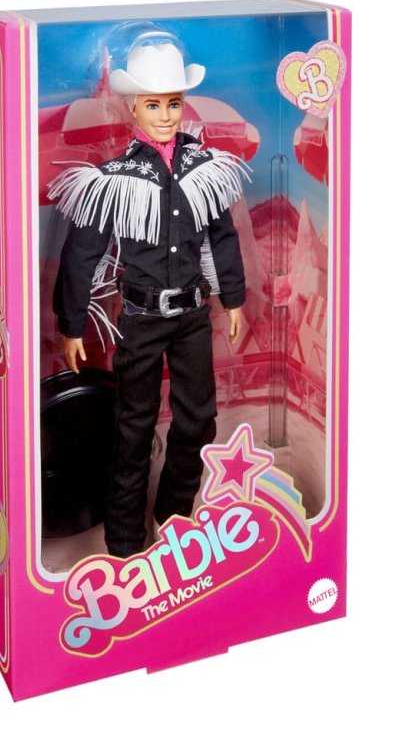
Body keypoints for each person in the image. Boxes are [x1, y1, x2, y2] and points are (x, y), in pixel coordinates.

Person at [50, 37, 248, 558]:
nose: (165, 115)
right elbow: (81, 254)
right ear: (133, 107)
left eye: (173, 103)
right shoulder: (116, 179)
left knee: (198, 419)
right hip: (140, 318)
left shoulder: (203, 168)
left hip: (192, 316)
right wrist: (72, 323)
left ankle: (174, 516)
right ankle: (123, 542)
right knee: (132, 427)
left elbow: (222, 237)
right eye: (154, 105)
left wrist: (233, 298)